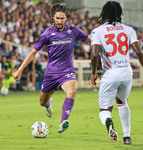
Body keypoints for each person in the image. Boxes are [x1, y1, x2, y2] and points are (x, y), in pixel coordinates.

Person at [14, 4, 90, 133]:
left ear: (66, 18)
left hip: (67, 71)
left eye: (62, 18)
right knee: (42, 102)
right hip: (51, 73)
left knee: (71, 91)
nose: (59, 21)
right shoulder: (47, 34)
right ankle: (48, 106)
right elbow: (33, 52)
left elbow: (90, 40)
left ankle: (63, 121)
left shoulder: (74, 31)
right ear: (53, 18)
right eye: (57, 18)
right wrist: (19, 70)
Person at [90, 1, 143, 144]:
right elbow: (139, 52)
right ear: (119, 13)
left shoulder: (97, 31)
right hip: (126, 73)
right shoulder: (128, 30)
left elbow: (95, 54)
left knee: (104, 110)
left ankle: (108, 121)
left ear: (104, 13)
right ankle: (127, 137)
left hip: (110, 74)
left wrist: (93, 72)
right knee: (122, 103)